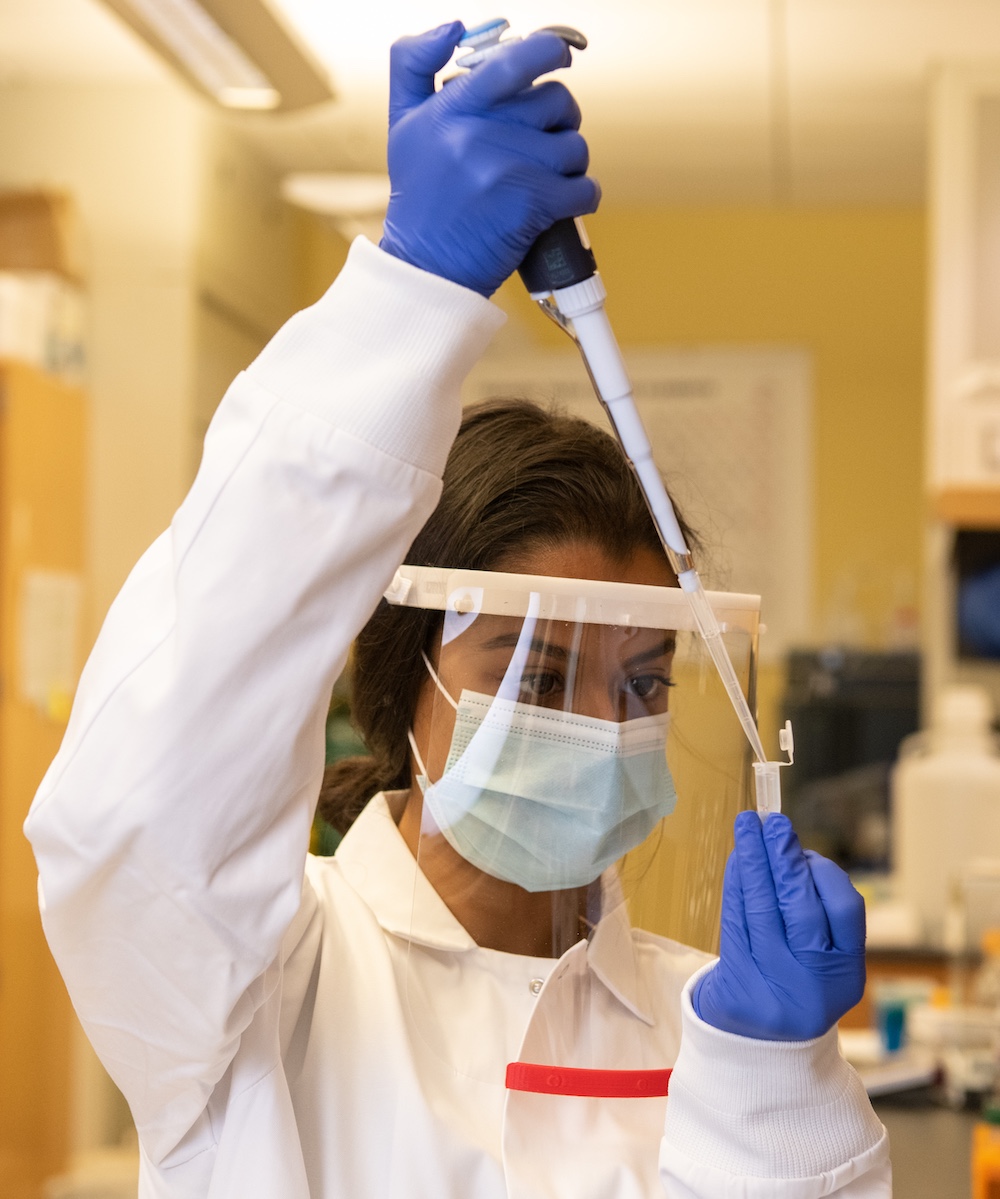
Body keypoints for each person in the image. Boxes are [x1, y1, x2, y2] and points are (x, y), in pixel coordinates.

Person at [25, 22, 891, 1199]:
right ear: (404, 683)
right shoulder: (256, 991)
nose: (601, 724)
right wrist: (409, 294)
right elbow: (138, 804)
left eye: (642, 680)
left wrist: (774, 1072)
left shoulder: (723, 1019)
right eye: (532, 676)